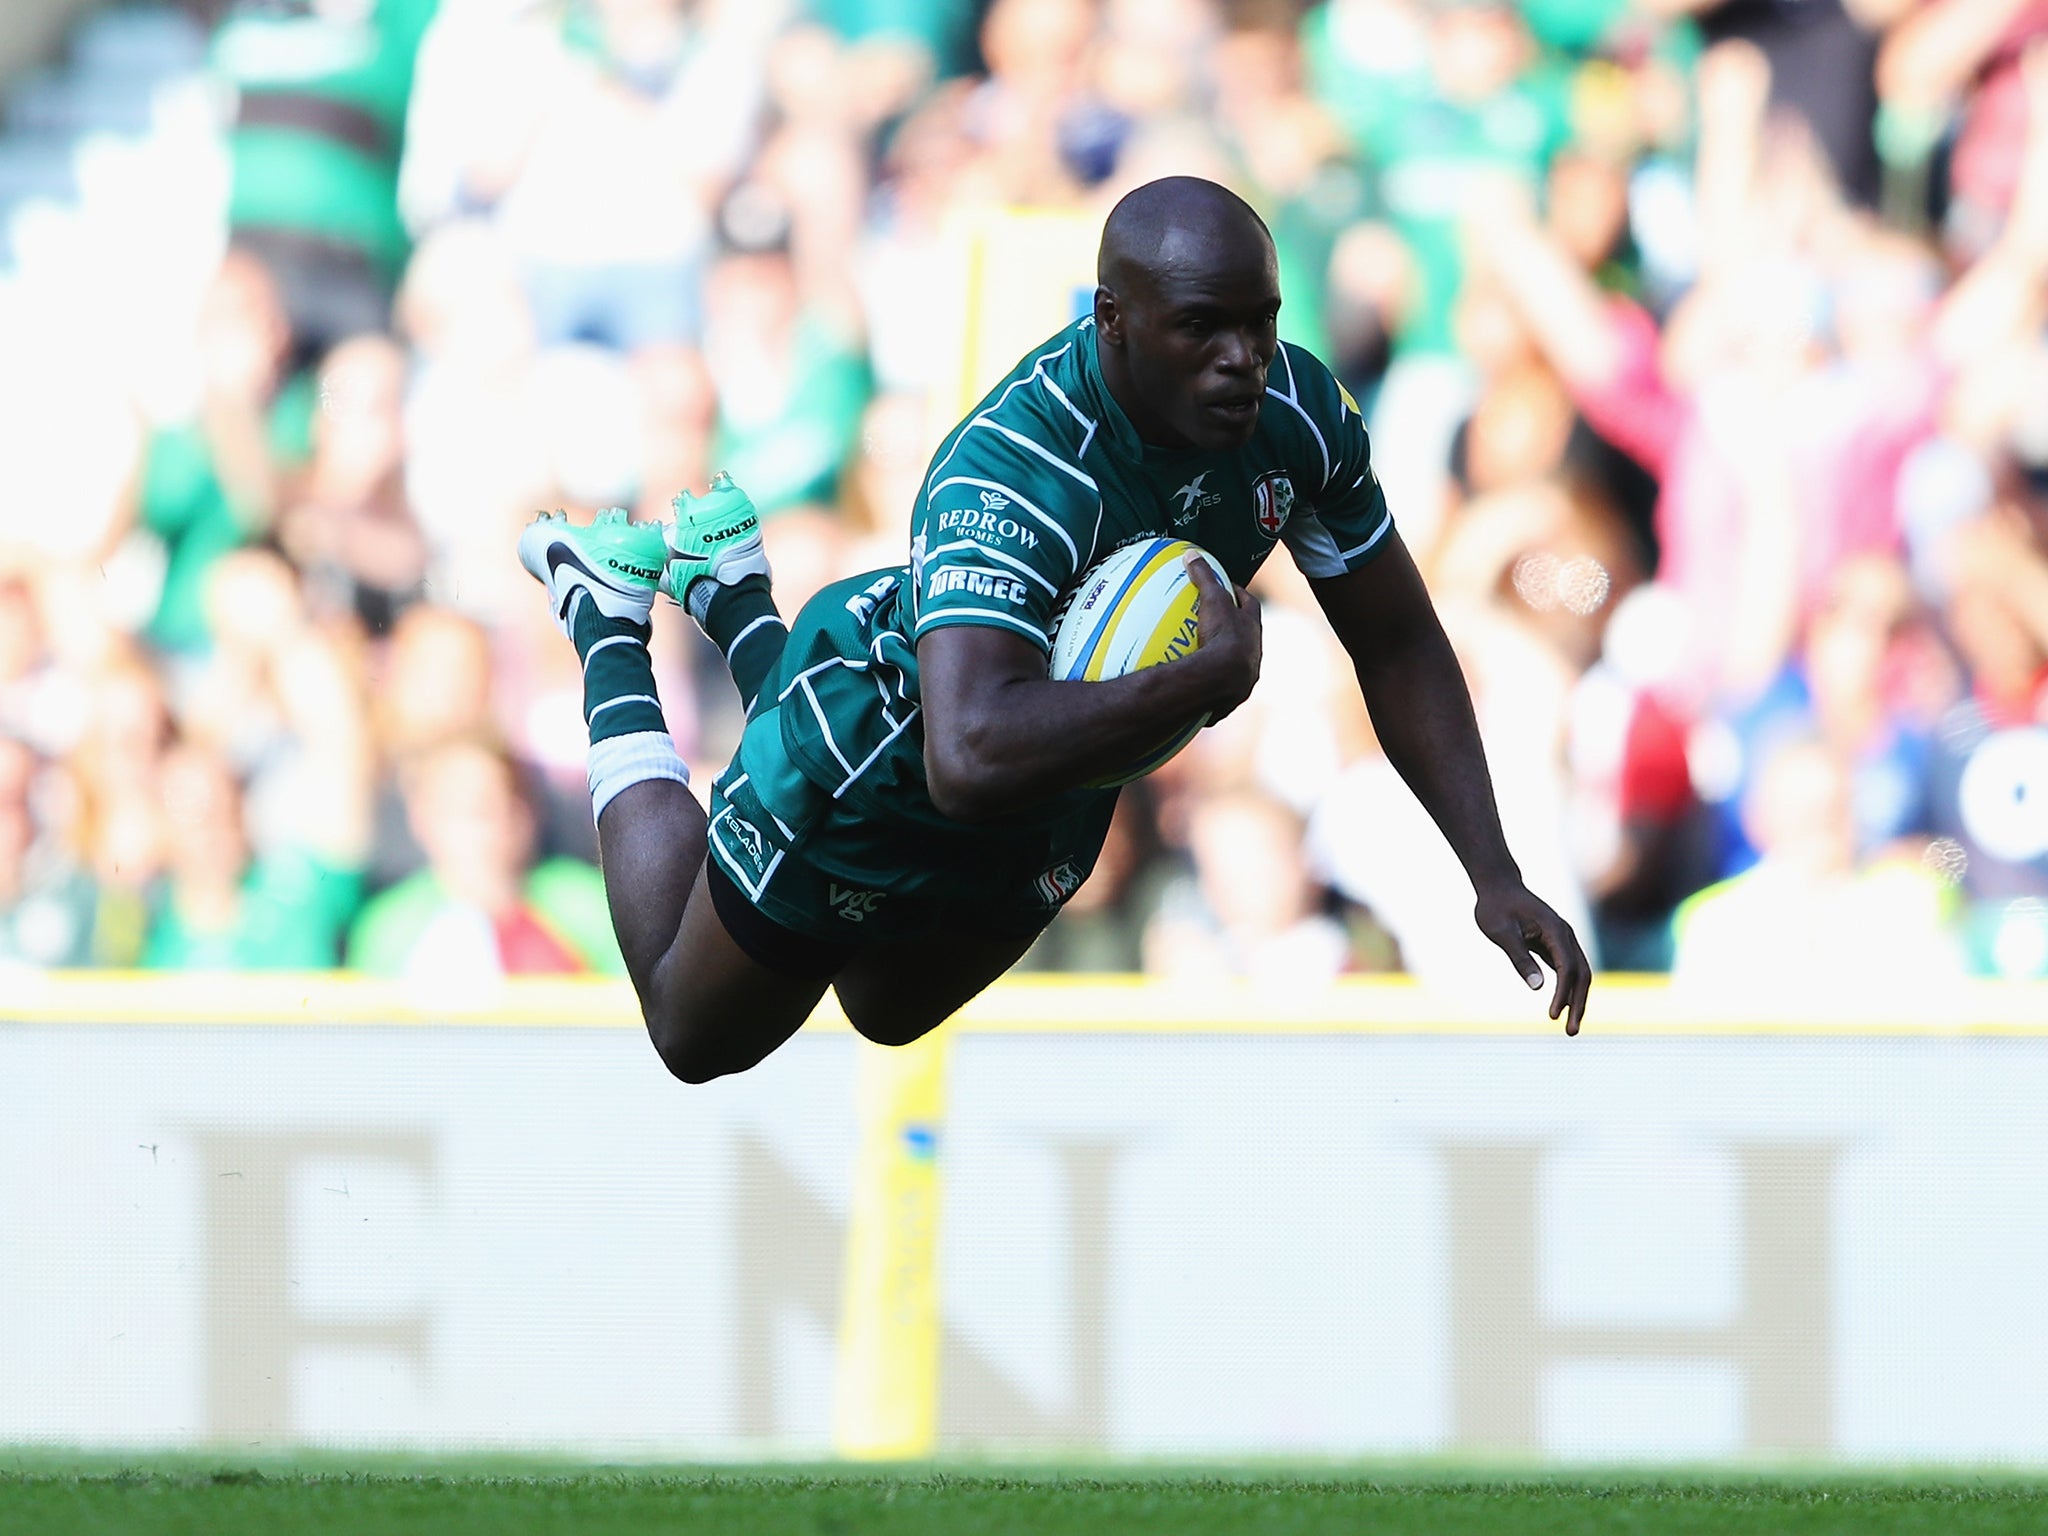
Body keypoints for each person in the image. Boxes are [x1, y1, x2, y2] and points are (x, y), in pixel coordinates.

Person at [517, 175, 1591, 1083]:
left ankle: (732, 596)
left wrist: (1489, 873)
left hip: (1061, 787)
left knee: (884, 1008)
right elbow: (967, 756)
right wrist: (1197, 680)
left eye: (1258, 321)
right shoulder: (1015, 466)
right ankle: (610, 618)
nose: (1242, 358)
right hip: (872, 744)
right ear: (1110, 321)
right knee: (696, 1035)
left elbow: (1396, 639)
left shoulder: (1296, 417)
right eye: (1199, 327)